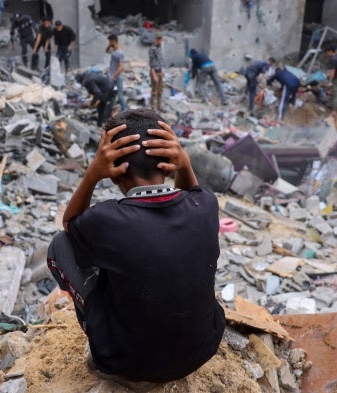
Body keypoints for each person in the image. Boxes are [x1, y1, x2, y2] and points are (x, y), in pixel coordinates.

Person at [46, 109, 225, 388]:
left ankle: (101, 333)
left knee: (61, 244)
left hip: (124, 361)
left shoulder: (105, 219)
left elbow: (69, 225)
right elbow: (195, 195)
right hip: (200, 351)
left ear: (114, 172)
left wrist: (92, 175)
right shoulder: (207, 206)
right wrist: (185, 165)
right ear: (169, 162)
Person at [106, 34, 126, 111]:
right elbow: (106, 51)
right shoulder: (112, 50)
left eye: (110, 41)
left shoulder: (120, 53)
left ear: (114, 41)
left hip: (117, 78)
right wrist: (109, 45)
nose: (109, 42)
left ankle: (124, 111)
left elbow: (121, 67)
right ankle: (110, 110)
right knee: (110, 94)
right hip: (110, 76)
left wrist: (114, 76)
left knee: (120, 96)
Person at [148, 34, 164, 111]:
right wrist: (154, 75)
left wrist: (162, 70)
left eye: (160, 39)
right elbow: (151, 63)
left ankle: (159, 106)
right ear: (155, 40)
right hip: (155, 72)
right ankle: (153, 107)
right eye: (158, 39)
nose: (160, 41)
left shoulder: (160, 48)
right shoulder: (152, 49)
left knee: (160, 90)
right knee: (154, 91)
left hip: (160, 71)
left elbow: (160, 60)